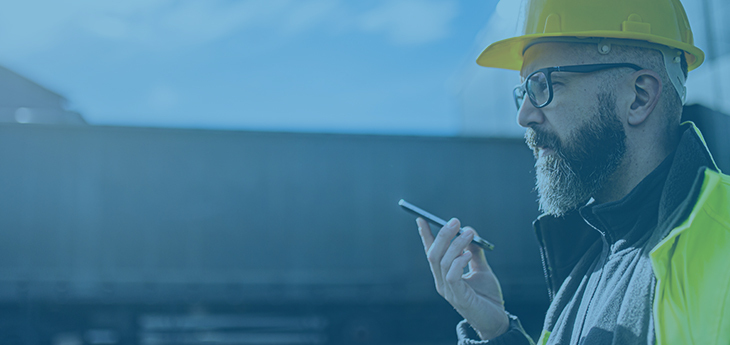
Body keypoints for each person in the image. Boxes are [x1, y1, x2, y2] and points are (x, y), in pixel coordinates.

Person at [415, 0, 730, 344]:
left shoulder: (721, 239)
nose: (524, 116)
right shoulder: (587, 270)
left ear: (639, 97)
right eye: (524, 91)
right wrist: (497, 331)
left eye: (545, 85)